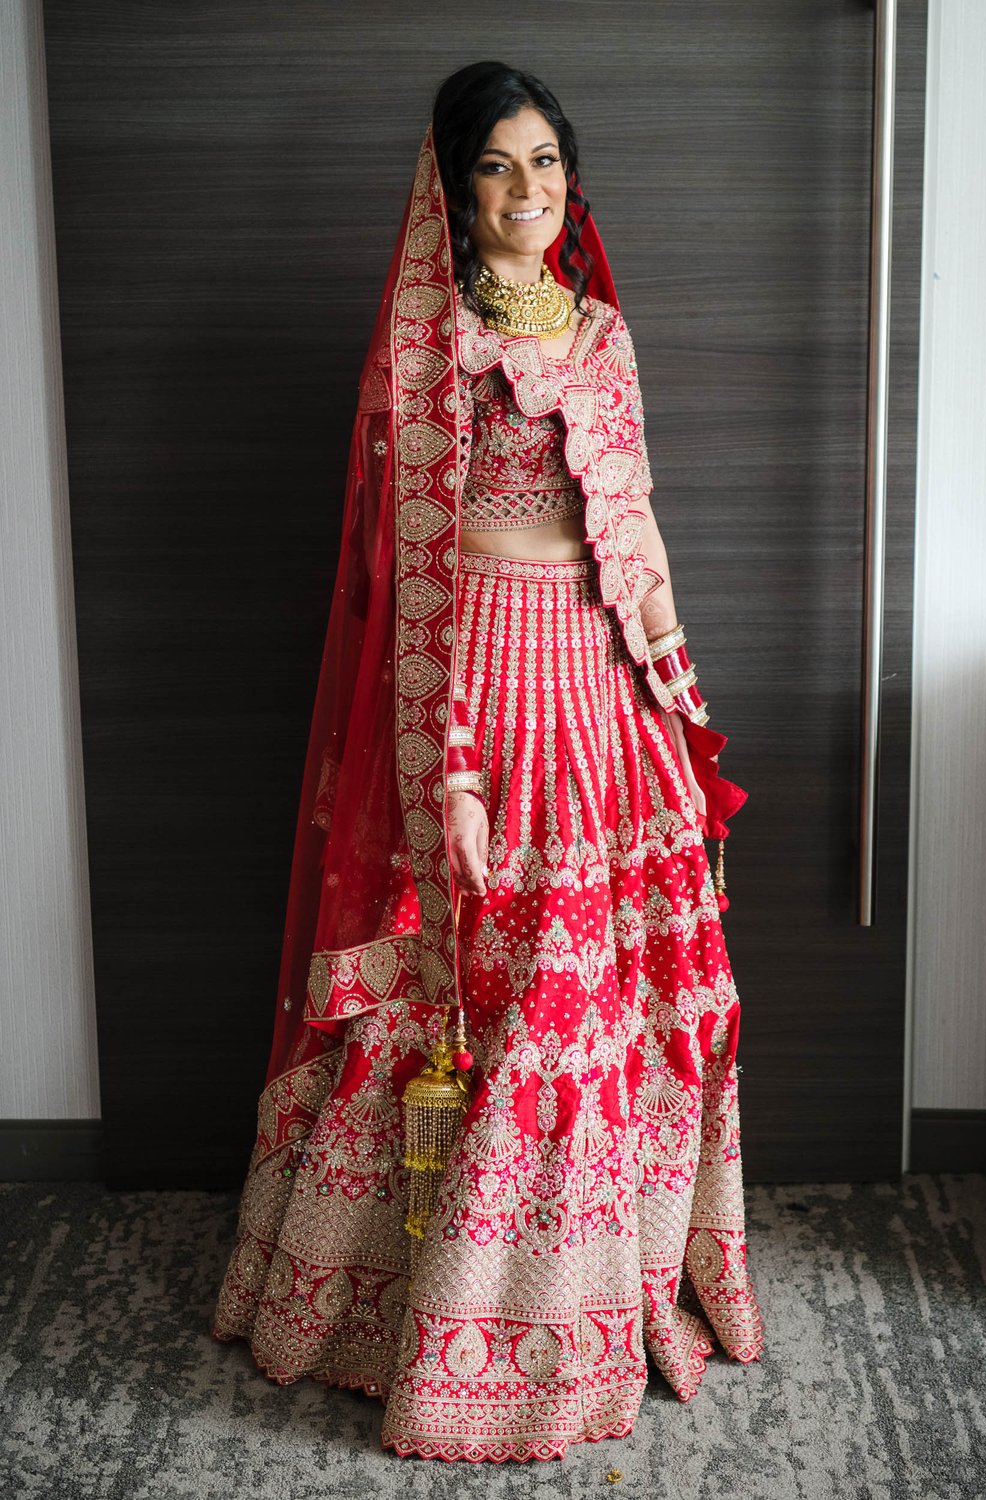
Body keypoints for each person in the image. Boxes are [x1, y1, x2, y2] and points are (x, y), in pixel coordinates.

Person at [211, 59, 764, 1464]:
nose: (530, 194)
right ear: (456, 195)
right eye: (501, 169)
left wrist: (678, 697)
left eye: (549, 166)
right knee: (489, 997)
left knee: (603, 992)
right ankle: (446, 1332)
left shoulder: (602, 336)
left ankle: (598, 1308)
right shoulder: (433, 349)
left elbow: (634, 532)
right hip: (482, 695)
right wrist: (447, 769)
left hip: (604, 695)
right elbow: (418, 575)